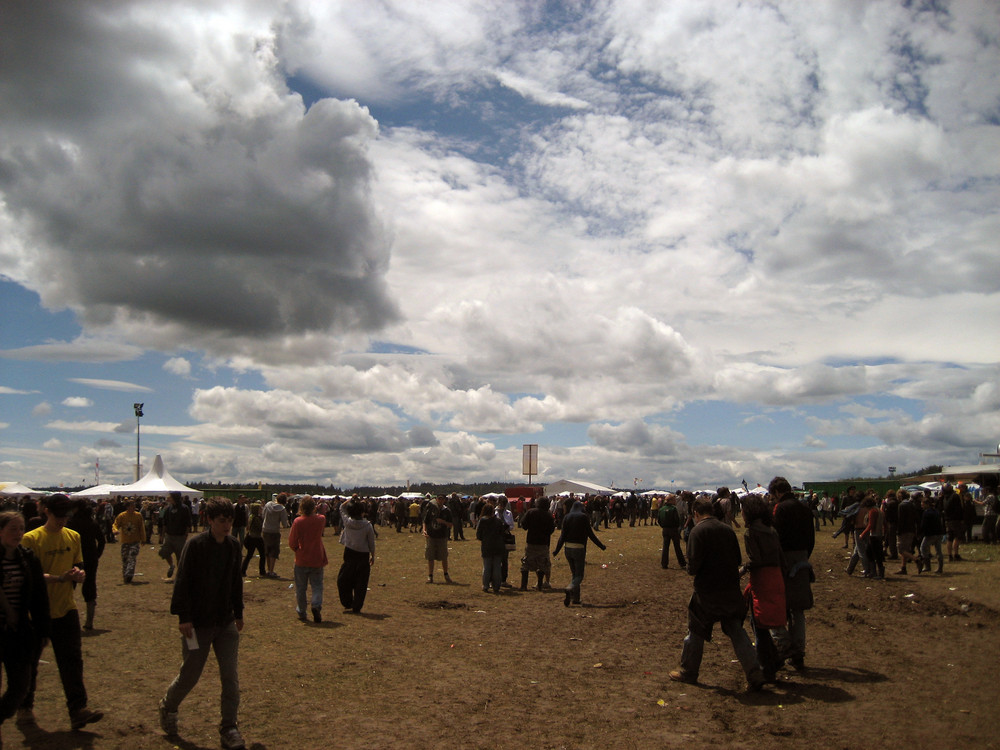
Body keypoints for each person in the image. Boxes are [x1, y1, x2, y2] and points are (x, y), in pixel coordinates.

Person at [159, 497, 246, 749]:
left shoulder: (232, 545)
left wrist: (238, 612)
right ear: (209, 520)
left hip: (225, 623)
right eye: (222, 521)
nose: (227, 525)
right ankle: (168, 706)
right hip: (198, 624)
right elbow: (183, 580)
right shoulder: (195, 545)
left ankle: (229, 728)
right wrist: (184, 617)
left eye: (230, 520)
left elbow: (235, 582)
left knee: (230, 676)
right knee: (190, 674)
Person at [19, 493, 104, 730]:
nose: (62, 520)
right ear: (46, 511)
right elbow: (30, 578)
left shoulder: (73, 536)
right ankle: (25, 706)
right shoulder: (31, 539)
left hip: (66, 609)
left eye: (65, 516)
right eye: (58, 516)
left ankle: (78, 709)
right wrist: (59, 578)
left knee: (72, 662)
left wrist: (79, 574)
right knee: (30, 664)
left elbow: (78, 565)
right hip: (36, 613)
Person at [668, 496, 764, 691]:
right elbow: (737, 558)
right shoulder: (727, 530)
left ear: (695, 514)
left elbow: (693, 566)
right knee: (737, 631)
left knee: (695, 631)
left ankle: (688, 671)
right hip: (730, 589)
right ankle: (755, 672)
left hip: (706, 591)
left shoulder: (697, 531)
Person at [0, 512, 50, 728]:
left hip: (18, 631)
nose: (18, 533)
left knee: (21, 686)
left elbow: (39, 597)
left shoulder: (28, 558)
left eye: (21, 528)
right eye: (13, 529)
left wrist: (43, 630)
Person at [770, 477, 814, 671]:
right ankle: (799, 653)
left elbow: (776, 536)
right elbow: (811, 537)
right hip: (803, 556)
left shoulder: (780, 509)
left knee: (779, 605)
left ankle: (786, 647)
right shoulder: (804, 507)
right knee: (798, 609)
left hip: (785, 559)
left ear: (777, 492)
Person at [739, 495, 785, 683]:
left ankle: (767, 666)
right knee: (764, 622)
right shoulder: (771, 530)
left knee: (758, 624)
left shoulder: (751, 533)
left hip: (762, 579)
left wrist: (742, 569)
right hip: (776, 576)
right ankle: (773, 659)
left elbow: (755, 560)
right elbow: (780, 556)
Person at [552, 501, 606, 607]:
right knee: (579, 575)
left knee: (574, 574)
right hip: (579, 549)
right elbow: (590, 534)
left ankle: (575, 599)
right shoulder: (583, 517)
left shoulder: (567, 517)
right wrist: (601, 546)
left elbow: (562, 536)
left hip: (567, 548)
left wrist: (556, 550)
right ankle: (570, 588)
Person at [288, 497, 328, 623]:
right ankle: (316, 605)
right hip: (317, 557)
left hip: (302, 558)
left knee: (301, 588)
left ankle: (302, 611)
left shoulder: (297, 521)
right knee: (317, 586)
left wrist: (297, 550)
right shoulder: (320, 519)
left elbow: (292, 541)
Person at [67, 500, 105, 631]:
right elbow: (102, 540)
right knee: (90, 588)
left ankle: (67, 620)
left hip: (72, 559)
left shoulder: (70, 523)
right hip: (90, 559)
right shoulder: (92, 522)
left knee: (68, 588)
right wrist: (97, 555)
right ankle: (89, 621)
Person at [338, 497, 376, 613]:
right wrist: (373, 555)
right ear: (362, 512)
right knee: (361, 582)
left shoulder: (347, 522)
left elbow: (341, 508)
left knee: (343, 580)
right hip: (363, 555)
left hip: (349, 553)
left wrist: (350, 499)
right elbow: (371, 542)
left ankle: (347, 601)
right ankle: (357, 605)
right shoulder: (367, 526)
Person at [519, 496, 555, 590]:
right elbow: (551, 529)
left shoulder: (531, 512)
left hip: (531, 541)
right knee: (542, 564)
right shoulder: (548, 515)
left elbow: (524, 525)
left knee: (526, 563)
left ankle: (523, 586)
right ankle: (539, 585)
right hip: (543, 543)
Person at [159, 491, 192, 580]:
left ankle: (180, 575)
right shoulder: (168, 509)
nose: (168, 498)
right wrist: (162, 535)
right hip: (169, 536)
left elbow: (188, 523)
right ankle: (171, 566)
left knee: (180, 557)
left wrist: (185, 535)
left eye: (170, 497)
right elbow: (164, 523)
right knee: (163, 553)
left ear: (175, 498)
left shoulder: (184, 508)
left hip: (180, 537)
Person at [113, 498, 146, 584]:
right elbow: (115, 524)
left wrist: (143, 539)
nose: (133, 507)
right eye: (131, 506)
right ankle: (125, 576)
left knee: (132, 557)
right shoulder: (122, 516)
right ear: (127, 507)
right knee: (125, 559)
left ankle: (129, 574)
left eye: (134, 506)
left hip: (135, 541)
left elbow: (141, 528)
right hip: (125, 541)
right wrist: (115, 530)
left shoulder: (138, 515)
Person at [476, 500, 505, 593]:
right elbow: (502, 533)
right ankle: (496, 586)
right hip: (498, 546)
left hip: (487, 546)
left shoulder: (482, 521)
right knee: (497, 567)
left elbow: (478, 535)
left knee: (487, 566)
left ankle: (485, 585)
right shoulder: (498, 521)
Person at [422, 495, 453, 584]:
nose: (440, 500)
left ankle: (446, 574)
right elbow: (425, 521)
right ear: (436, 499)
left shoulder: (447, 511)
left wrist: (442, 521)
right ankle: (430, 575)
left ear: (444, 500)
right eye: (439, 498)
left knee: (443, 556)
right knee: (430, 556)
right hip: (431, 536)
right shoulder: (431, 509)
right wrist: (424, 530)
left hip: (442, 536)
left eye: (442, 499)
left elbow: (450, 525)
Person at [261, 494, 289, 578]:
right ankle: (271, 571)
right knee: (274, 551)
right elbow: (284, 523)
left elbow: (263, 515)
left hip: (265, 530)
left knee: (267, 550)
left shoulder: (268, 504)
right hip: (274, 531)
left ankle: (268, 569)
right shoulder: (282, 509)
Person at [657, 493, 686, 569]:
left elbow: (659, 520)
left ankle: (664, 563)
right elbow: (677, 520)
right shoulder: (673, 509)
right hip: (673, 529)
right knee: (677, 547)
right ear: (671, 500)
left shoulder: (661, 509)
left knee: (665, 547)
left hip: (665, 529)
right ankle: (682, 563)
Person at [917, 494, 945, 575]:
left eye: (922, 504)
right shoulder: (936, 511)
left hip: (931, 534)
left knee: (923, 548)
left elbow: (924, 525)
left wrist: (921, 533)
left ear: (926, 504)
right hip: (939, 533)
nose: (921, 506)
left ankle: (927, 566)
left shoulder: (926, 513)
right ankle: (940, 567)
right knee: (938, 550)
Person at [241, 502, 266, 577]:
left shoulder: (251, 516)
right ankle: (262, 571)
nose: (261, 509)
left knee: (249, 555)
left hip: (251, 537)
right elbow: (260, 528)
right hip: (256, 538)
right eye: (259, 508)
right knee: (262, 554)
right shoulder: (256, 518)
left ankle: (242, 570)